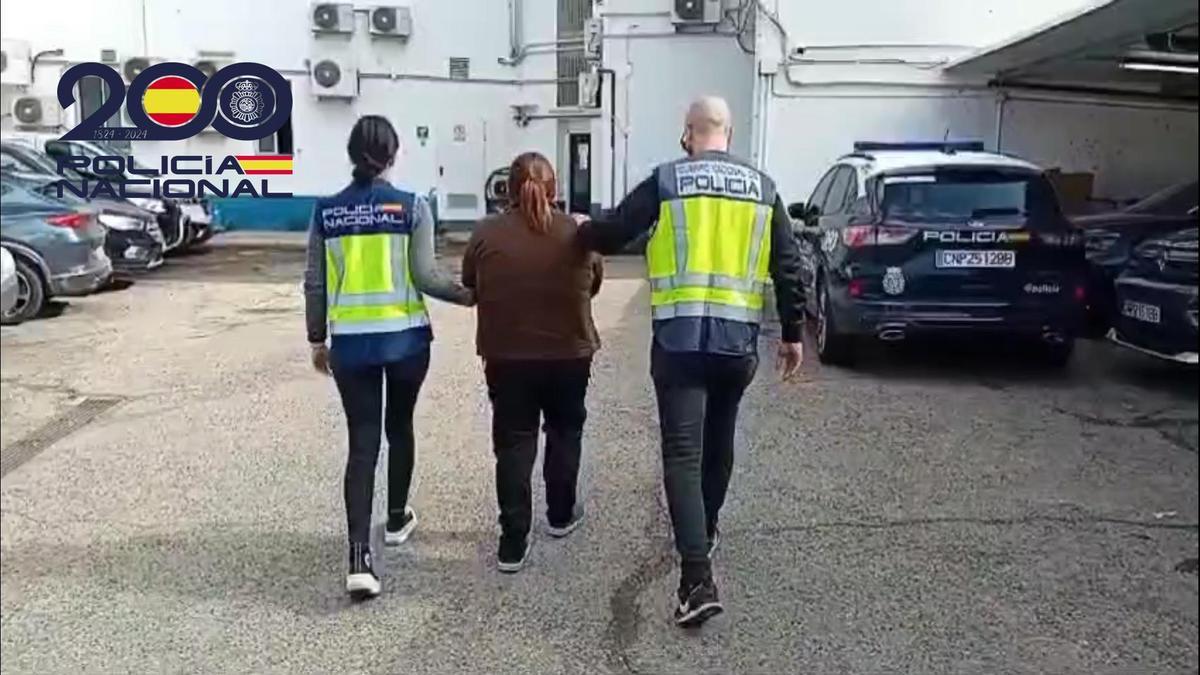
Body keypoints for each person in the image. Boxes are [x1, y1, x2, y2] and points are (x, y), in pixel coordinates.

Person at [575, 96, 805, 626]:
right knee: (718, 441)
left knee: (682, 453)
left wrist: (583, 226)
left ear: (689, 133)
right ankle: (706, 529)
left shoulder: (668, 180)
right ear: (728, 131)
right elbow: (787, 265)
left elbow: (614, 232)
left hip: (679, 341)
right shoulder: (763, 188)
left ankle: (696, 578)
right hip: (735, 343)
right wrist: (792, 333)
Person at [304, 115, 474, 600]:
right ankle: (397, 519)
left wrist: (318, 339)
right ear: (394, 154)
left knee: (362, 444)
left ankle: (360, 558)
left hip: (352, 348)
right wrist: (469, 295)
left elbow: (314, 282)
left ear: (351, 154)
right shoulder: (411, 207)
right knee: (399, 427)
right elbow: (426, 276)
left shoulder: (326, 212)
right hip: (405, 344)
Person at [462, 152, 604, 573]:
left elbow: (472, 283)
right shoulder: (579, 233)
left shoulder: (487, 232)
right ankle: (560, 515)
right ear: (554, 188)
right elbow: (593, 284)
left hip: (507, 356)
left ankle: (513, 541)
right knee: (564, 431)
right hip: (569, 353)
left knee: (514, 443)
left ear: (507, 189)